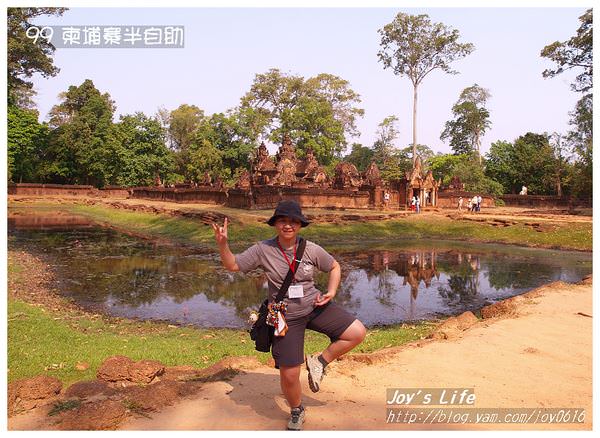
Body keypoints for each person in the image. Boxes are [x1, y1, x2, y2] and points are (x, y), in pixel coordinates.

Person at [212, 200, 366, 430]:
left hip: (314, 306)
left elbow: (334, 267)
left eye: (293, 221)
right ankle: (297, 410)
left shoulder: (310, 249)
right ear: (275, 224)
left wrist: (331, 292)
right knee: (290, 374)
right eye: (283, 221)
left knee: (357, 332)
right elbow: (233, 265)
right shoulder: (263, 249)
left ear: (300, 225)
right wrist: (223, 245)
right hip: (284, 316)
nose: (288, 225)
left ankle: (319, 362)